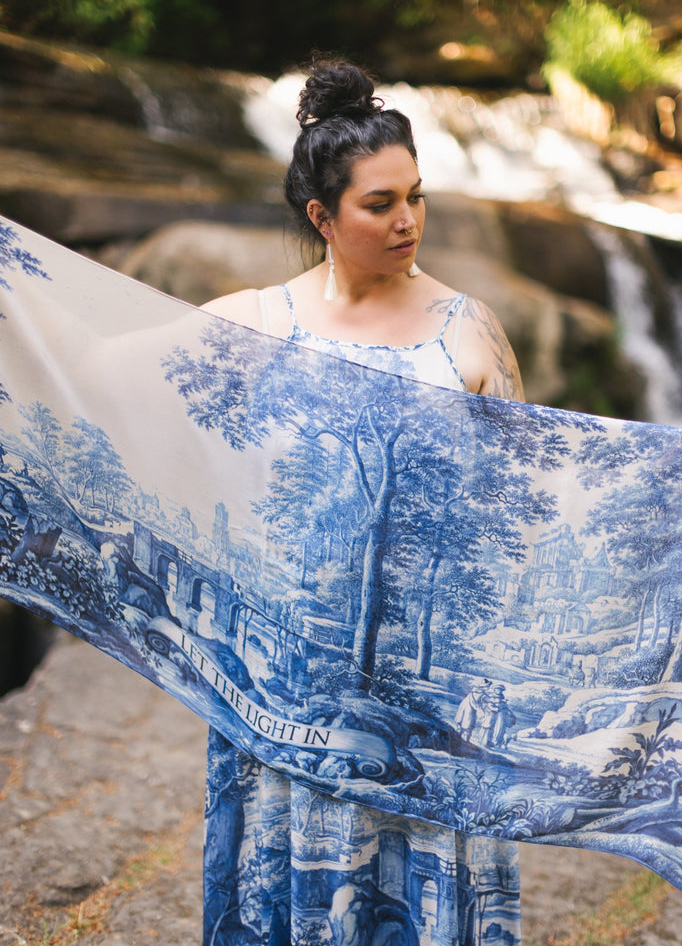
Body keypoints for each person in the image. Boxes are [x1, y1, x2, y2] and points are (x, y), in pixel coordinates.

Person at [201, 55, 525, 946]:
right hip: (290, 694)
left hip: (427, 694)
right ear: (322, 216)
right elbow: (109, 385)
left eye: (415, 197)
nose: (407, 220)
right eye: (379, 204)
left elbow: (518, 504)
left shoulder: (469, 329)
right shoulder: (254, 324)